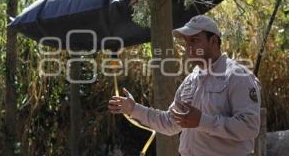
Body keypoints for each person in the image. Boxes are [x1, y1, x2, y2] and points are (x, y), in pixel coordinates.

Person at [108, 15, 261, 156]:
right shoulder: (191, 80)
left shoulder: (238, 76)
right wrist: (133, 109)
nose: (189, 47)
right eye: (186, 42)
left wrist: (202, 121)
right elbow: (169, 123)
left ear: (214, 41)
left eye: (194, 40)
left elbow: (249, 127)